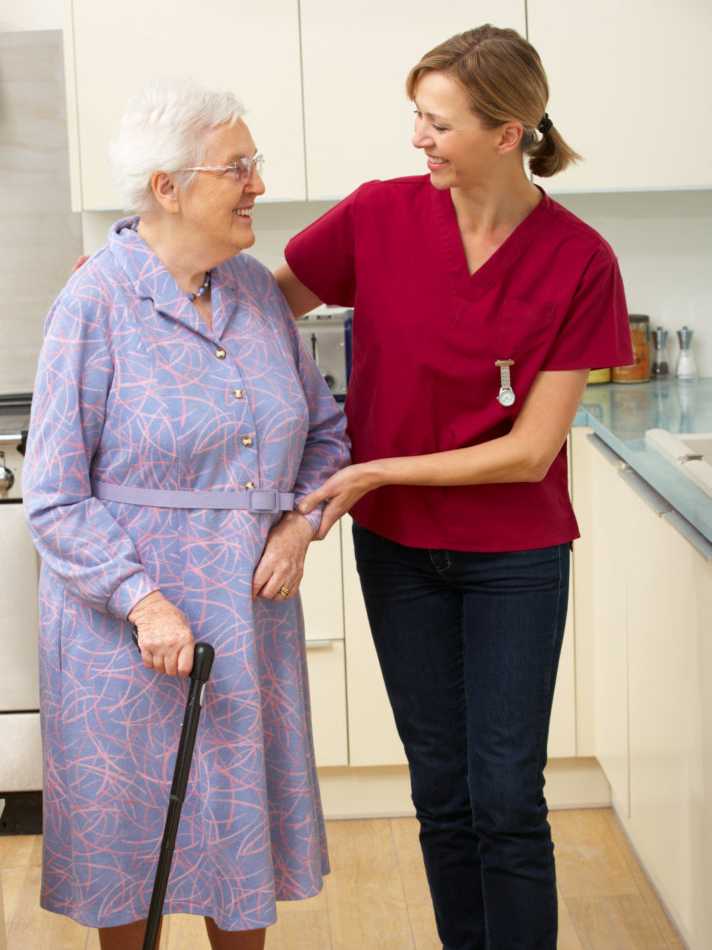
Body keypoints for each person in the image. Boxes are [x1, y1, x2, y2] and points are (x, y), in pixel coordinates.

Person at [275, 24, 632, 950]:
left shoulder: (580, 259)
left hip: (512, 553)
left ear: (507, 132)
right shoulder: (375, 215)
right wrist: (137, 278)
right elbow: (259, 304)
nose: (418, 140)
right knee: (439, 788)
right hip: (398, 552)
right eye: (417, 119)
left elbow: (528, 451)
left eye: (436, 123)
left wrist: (374, 467)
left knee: (506, 793)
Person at [22, 77, 349, 950]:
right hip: (126, 630)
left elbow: (326, 433)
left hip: (247, 619)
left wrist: (298, 527)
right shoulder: (93, 301)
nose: (258, 185)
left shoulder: (251, 290)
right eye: (236, 167)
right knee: (132, 843)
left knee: (233, 845)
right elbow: (53, 494)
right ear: (167, 186)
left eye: (254, 164)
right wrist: (142, 599)